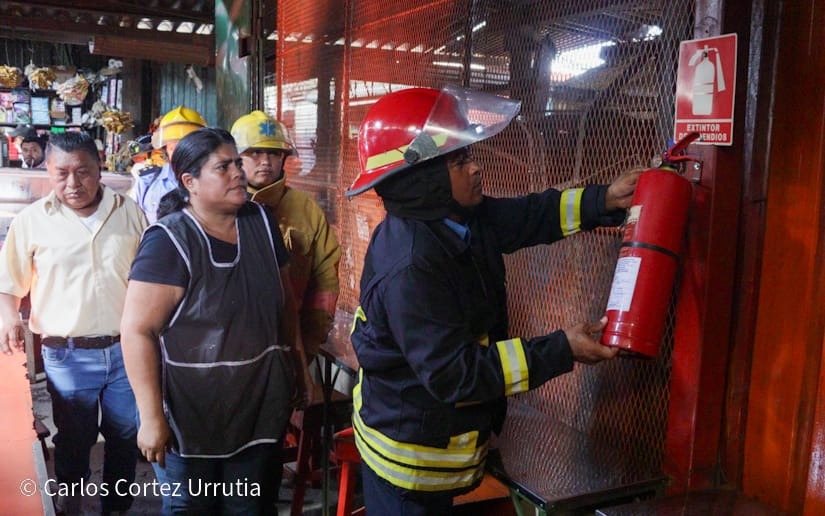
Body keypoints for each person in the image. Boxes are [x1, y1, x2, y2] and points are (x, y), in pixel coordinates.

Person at [345, 85, 640, 514]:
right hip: (409, 467)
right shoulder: (411, 266)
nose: (476, 168)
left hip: (434, 446)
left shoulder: (453, 219)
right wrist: (562, 349)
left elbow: (528, 216)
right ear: (421, 177)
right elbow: (455, 374)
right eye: (459, 160)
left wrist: (605, 199)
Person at [120, 128, 313, 514]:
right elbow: (137, 330)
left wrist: (299, 366)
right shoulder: (169, 241)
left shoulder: (260, 221)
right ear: (189, 181)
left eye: (236, 163)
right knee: (194, 509)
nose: (238, 173)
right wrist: (152, 417)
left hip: (259, 406)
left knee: (251, 508)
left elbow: (285, 301)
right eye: (223, 167)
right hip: (192, 416)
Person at [0, 132, 147, 514]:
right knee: (74, 437)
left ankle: (116, 507)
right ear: (47, 170)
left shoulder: (129, 213)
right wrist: (9, 317)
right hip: (67, 355)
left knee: (125, 433)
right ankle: (72, 505)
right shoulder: (31, 222)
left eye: (82, 172)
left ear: (100, 169)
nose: (72, 183)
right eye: (61, 173)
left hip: (126, 350)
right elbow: (7, 283)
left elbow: (150, 279)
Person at [231, 111, 341, 363]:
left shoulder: (306, 209)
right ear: (236, 157)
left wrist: (311, 342)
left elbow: (325, 279)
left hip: (291, 346)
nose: (266, 162)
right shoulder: (220, 206)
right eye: (255, 153)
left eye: (274, 153)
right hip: (231, 349)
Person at [134, 106, 206, 223]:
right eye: (173, 148)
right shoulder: (147, 181)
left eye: (186, 148)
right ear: (165, 149)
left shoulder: (214, 182)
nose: (179, 155)